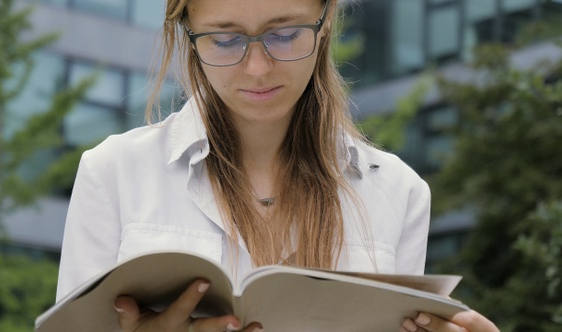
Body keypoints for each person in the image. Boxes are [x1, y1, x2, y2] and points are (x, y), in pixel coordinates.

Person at [55, 0, 500, 331]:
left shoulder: (399, 193)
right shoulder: (113, 173)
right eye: (225, 40)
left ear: (324, 23)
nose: (257, 68)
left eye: (284, 35)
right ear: (187, 31)